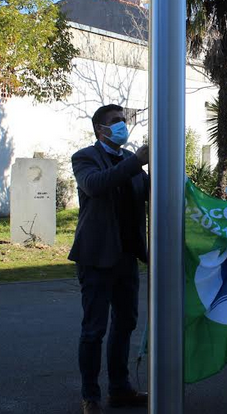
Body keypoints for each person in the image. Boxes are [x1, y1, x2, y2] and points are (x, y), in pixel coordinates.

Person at [69, 104, 150, 414]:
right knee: (94, 329)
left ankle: (120, 389)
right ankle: (90, 395)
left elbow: (150, 192)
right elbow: (95, 185)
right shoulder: (85, 158)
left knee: (126, 323)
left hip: (127, 256)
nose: (122, 125)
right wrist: (137, 162)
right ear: (99, 129)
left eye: (123, 120)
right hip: (96, 256)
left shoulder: (130, 160)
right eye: (115, 121)